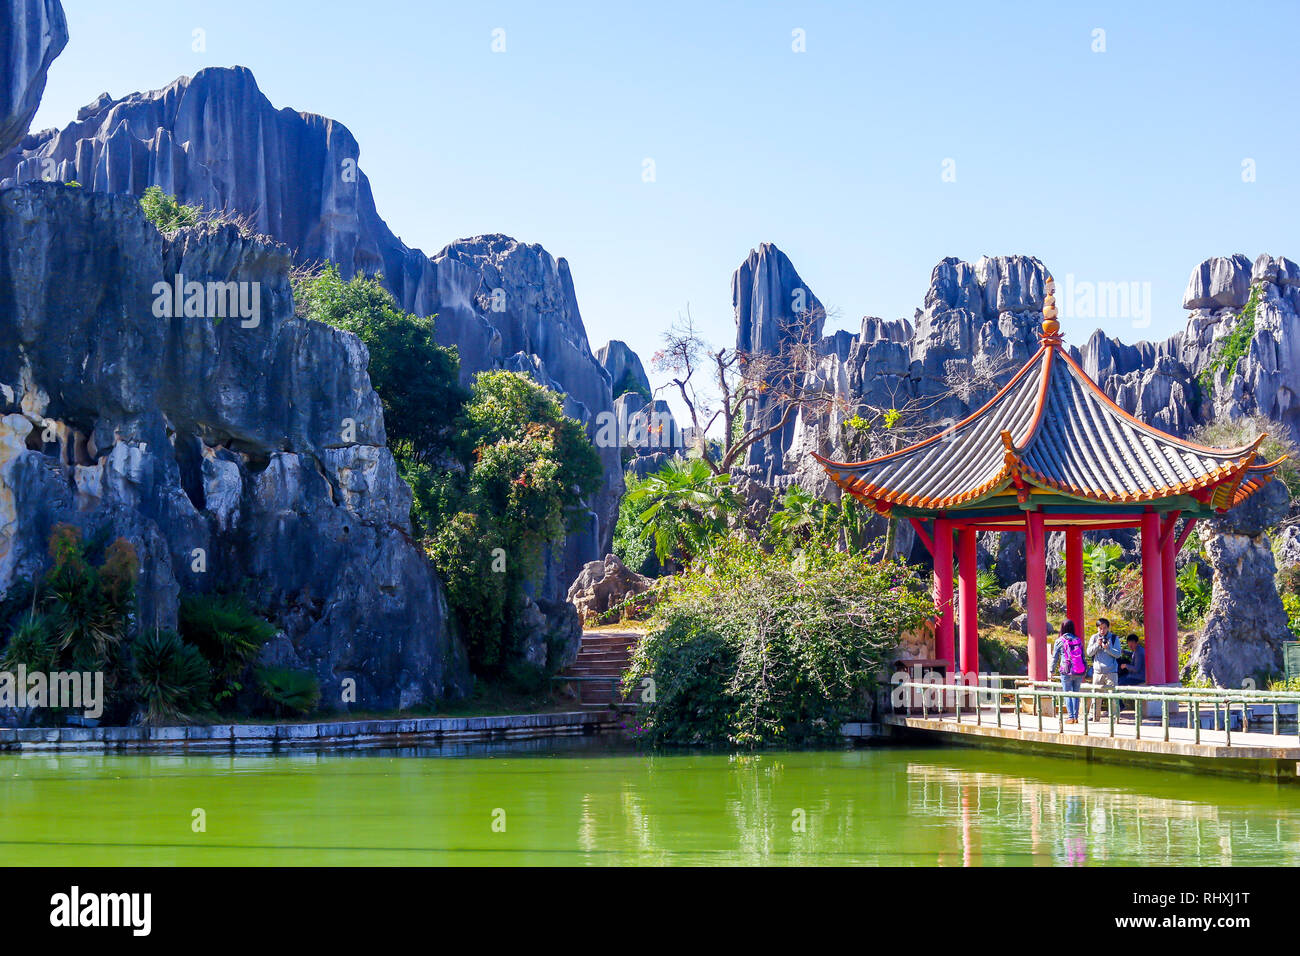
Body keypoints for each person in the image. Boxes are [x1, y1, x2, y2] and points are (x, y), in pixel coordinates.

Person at [1050, 619, 1086, 723]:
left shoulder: (1059, 641)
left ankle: (1070, 717)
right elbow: (1083, 656)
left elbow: (1055, 657)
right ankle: (1075, 717)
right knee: (1076, 694)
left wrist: (1052, 671)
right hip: (1078, 671)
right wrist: (1084, 670)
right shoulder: (1078, 640)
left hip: (1066, 671)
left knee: (1067, 693)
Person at [1087, 617, 1123, 718]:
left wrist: (1108, 648)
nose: (1102, 630)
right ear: (1097, 628)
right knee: (1095, 696)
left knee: (1113, 696)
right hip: (1098, 672)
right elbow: (1089, 653)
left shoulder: (1114, 638)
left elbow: (1118, 654)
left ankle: (1115, 717)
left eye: (1104, 628)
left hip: (1111, 672)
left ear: (1108, 628)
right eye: (1100, 628)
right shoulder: (1094, 638)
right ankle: (1094, 716)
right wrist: (1097, 645)